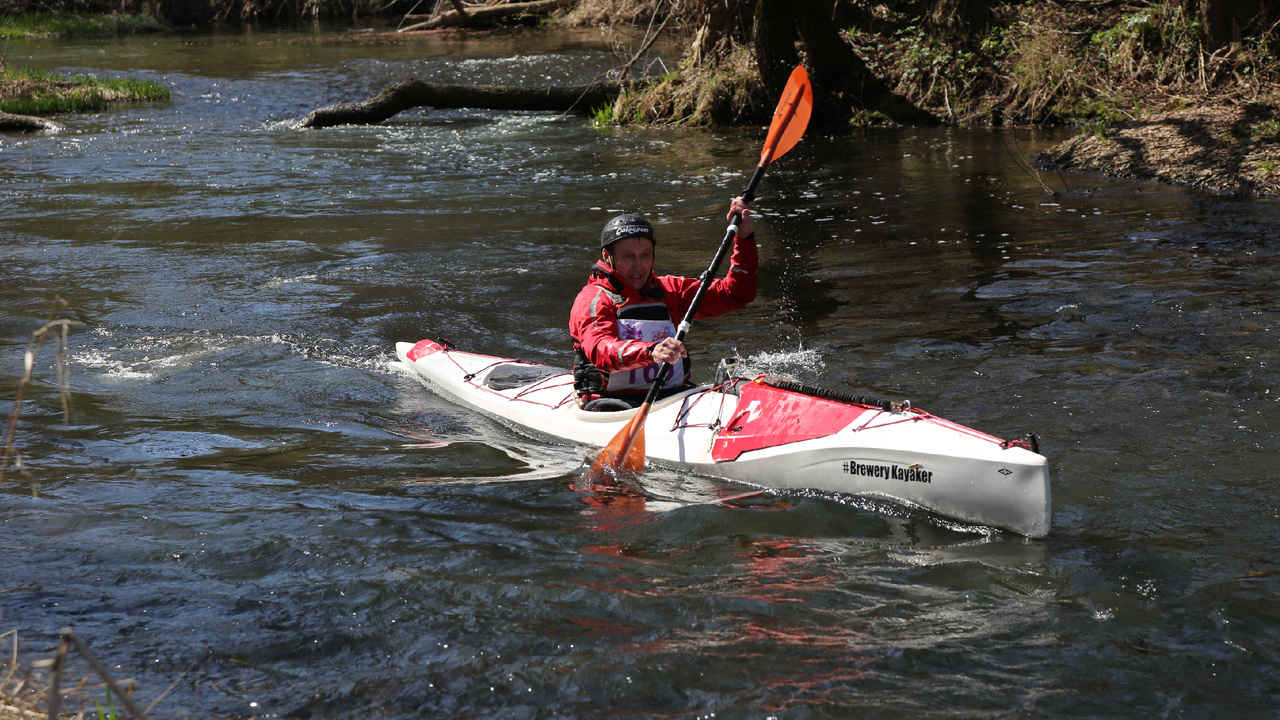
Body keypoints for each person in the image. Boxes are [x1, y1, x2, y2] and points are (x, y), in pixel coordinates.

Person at [569, 197, 757, 409]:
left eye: (645, 255)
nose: (638, 266)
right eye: (628, 256)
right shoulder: (593, 299)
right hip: (610, 403)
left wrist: (744, 239)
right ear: (608, 256)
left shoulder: (671, 290)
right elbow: (602, 351)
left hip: (672, 396)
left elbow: (736, 294)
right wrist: (651, 352)